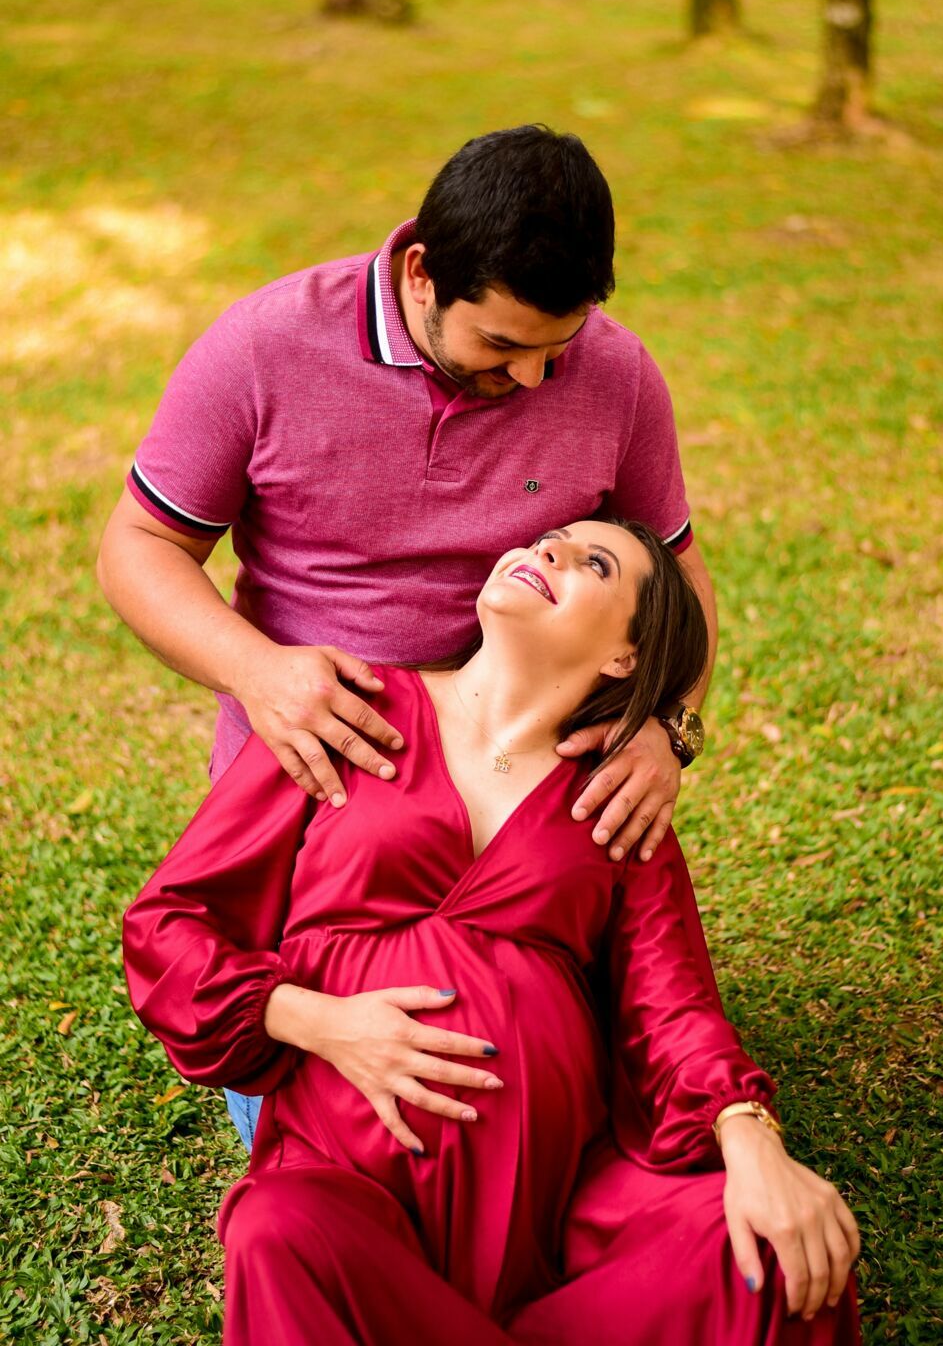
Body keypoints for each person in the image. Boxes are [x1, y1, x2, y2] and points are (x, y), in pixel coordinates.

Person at [98, 123, 718, 1151]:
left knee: (578, 1117)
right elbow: (139, 544)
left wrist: (668, 728)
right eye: (503, 346)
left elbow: (678, 583)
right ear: (423, 274)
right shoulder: (263, 346)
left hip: (518, 793)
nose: (530, 381)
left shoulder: (618, 378)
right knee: (348, 1144)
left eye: (554, 351)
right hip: (326, 796)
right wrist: (259, 672)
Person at [124, 519, 862, 1346]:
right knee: (277, 1234)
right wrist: (319, 1021)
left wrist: (750, 1136)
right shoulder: (347, 712)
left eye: (594, 563)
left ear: (626, 654)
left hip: (562, 1211)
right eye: (548, 539)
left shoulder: (619, 798)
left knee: (775, 1260)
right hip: (348, 1186)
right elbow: (170, 924)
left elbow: (673, 1007)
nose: (547, 551)